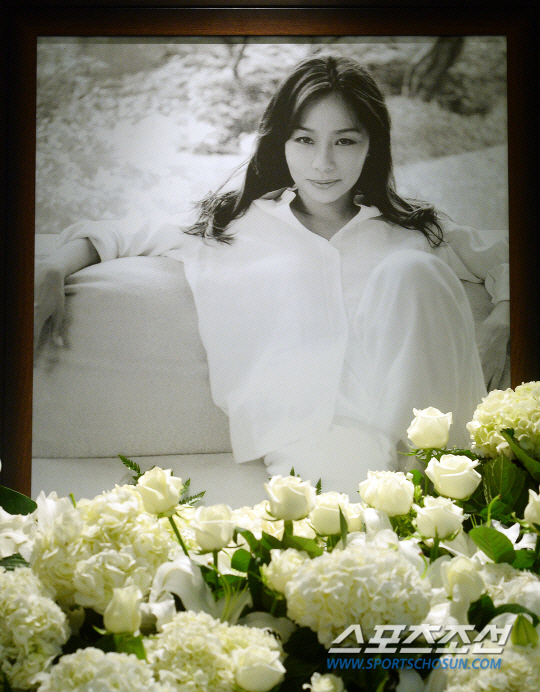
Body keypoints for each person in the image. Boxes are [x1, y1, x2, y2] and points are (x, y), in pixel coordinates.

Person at [34, 55, 509, 496]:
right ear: (281, 142)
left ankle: (450, 489)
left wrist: (501, 322)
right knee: (371, 530)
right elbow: (120, 233)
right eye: (305, 140)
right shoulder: (230, 227)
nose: (323, 163)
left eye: (345, 141)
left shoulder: (412, 230)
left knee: (411, 269)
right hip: (313, 436)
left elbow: (507, 257)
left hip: (429, 428)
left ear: (371, 146)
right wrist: (53, 266)